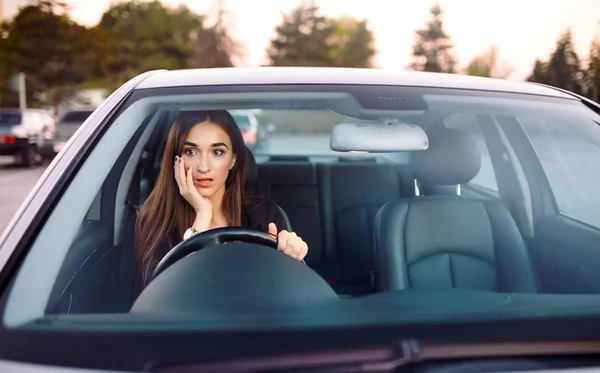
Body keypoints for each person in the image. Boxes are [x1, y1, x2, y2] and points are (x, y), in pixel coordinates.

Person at [134, 110, 308, 288]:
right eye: (191, 151)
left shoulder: (263, 215)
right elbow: (158, 296)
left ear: (233, 159)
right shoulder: (155, 218)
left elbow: (285, 292)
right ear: (176, 159)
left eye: (217, 152)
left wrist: (289, 255)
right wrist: (202, 216)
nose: (203, 167)